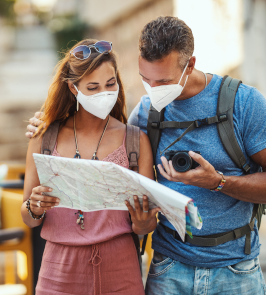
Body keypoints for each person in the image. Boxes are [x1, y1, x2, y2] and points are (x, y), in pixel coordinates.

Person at [27, 17, 266, 294]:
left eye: (163, 80)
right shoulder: (146, 114)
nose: (153, 89)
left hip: (236, 270)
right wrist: (46, 122)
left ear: (189, 64)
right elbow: (101, 128)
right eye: (145, 79)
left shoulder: (243, 104)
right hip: (169, 269)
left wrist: (218, 181)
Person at [21, 39, 160, 295]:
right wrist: (35, 207)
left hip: (120, 268)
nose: (104, 94)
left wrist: (143, 221)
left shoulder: (136, 140)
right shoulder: (43, 137)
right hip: (58, 270)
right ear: (74, 89)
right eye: (92, 87)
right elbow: (28, 218)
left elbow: (145, 227)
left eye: (110, 84)